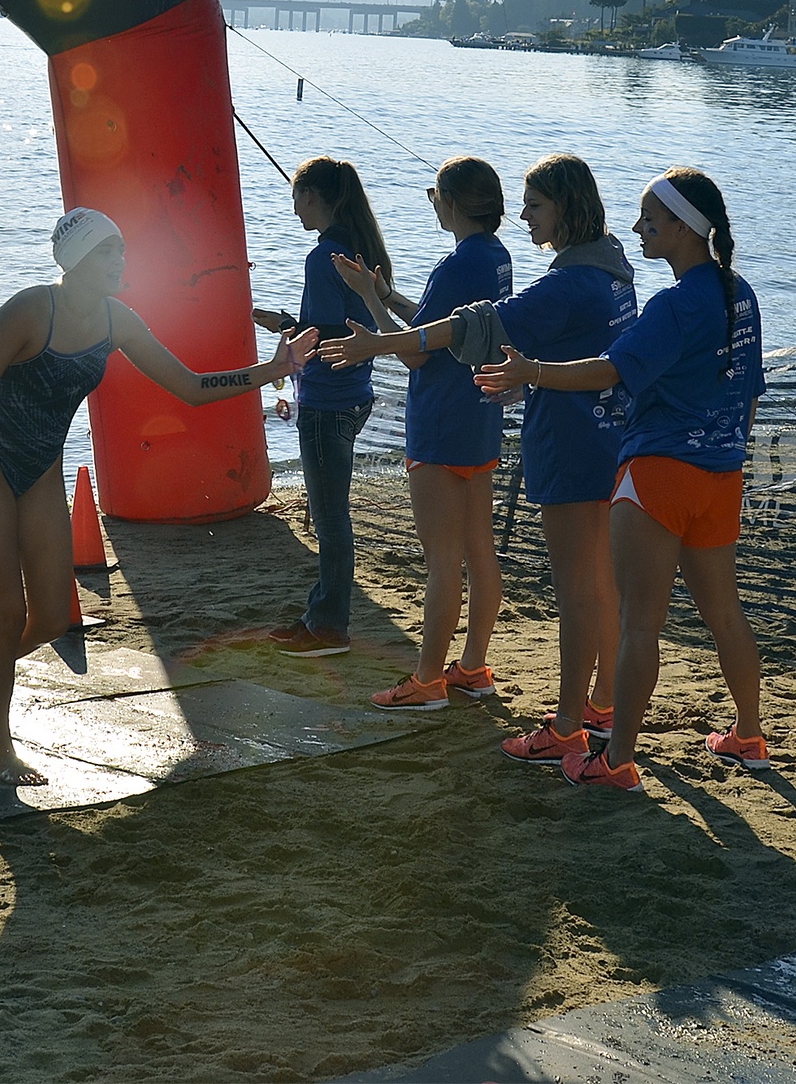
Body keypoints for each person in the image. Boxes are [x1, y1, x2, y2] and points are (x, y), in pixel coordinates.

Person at [0, 208, 318, 785]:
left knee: (53, 616)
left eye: (123, 251)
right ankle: (1, 749)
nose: (121, 262)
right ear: (76, 260)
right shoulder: (29, 311)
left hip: (41, 470)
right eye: (109, 253)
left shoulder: (117, 321)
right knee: (9, 612)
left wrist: (270, 368)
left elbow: (193, 388)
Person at [322, 154, 636, 761]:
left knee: (520, 576)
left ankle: (457, 686)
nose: (525, 216)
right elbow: (472, 327)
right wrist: (382, 294)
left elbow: (463, 333)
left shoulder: (562, 279)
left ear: (565, 207)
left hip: (502, 433)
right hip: (546, 428)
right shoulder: (568, 264)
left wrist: (376, 333)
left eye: (537, 205)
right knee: (533, 566)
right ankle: (547, 688)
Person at [475, 167, 766, 793]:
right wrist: (725, 452)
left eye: (649, 220)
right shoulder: (738, 293)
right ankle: (748, 733)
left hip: (659, 474)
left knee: (639, 624)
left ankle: (615, 760)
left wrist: (533, 372)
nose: (636, 229)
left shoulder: (674, 303)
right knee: (724, 613)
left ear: (685, 228)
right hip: (721, 475)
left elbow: (610, 371)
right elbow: (747, 394)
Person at [313, 157, 512, 710]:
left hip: (441, 424)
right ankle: (473, 666)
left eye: (434, 195)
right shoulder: (495, 257)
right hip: (479, 420)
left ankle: (425, 680)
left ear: (451, 203)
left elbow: (415, 356)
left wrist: (372, 301)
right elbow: (436, 326)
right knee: (479, 550)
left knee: (443, 559)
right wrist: (385, 293)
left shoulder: (454, 267)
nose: (432, 203)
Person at [263, 157, 392, 659]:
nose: (294, 208)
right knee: (332, 513)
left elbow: (324, 336)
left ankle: (329, 625)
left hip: (326, 399)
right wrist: (285, 323)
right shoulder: (358, 248)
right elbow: (344, 326)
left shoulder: (322, 258)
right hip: (355, 394)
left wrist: (286, 332)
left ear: (316, 197)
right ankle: (322, 611)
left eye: (298, 197)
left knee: (330, 517)